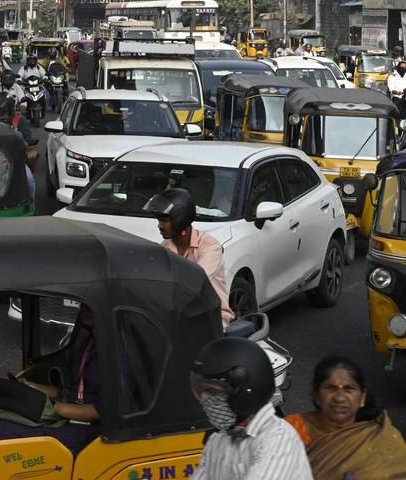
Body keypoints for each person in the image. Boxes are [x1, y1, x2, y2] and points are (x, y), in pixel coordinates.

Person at [0, 305, 100, 453]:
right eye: (83, 305)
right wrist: (32, 387)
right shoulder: (91, 341)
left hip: (87, 429)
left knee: (0, 431)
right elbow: (69, 391)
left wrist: (53, 407)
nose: (83, 309)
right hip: (67, 411)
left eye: (89, 307)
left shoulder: (118, 352)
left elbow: (101, 411)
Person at [191, 337, 310, 479]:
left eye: (214, 391)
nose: (206, 399)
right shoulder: (217, 442)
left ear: (245, 391)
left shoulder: (278, 439)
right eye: (204, 390)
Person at [283, 355, 406, 478]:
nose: (339, 398)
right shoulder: (291, 429)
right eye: (330, 388)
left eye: (349, 389)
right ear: (316, 396)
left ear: (362, 397)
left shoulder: (382, 437)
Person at [147, 189, 233, 328]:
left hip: (211, 315)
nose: (160, 225)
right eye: (159, 220)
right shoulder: (165, 247)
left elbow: (196, 281)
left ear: (180, 219)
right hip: (179, 314)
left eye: (164, 220)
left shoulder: (210, 246)